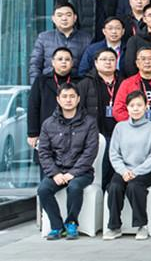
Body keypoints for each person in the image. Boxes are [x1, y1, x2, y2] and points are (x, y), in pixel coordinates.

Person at [37, 84, 99, 240]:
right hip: (57, 171)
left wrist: (73, 173)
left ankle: (71, 223)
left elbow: (90, 152)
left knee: (74, 187)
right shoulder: (48, 124)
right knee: (43, 190)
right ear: (58, 99)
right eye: (64, 96)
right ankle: (57, 226)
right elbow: (43, 152)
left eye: (72, 96)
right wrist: (55, 173)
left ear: (78, 99)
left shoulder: (89, 122)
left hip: (82, 172)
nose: (68, 100)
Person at [103, 90, 151, 240]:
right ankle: (114, 227)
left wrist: (136, 172)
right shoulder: (120, 127)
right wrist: (124, 171)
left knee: (134, 186)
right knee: (114, 187)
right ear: (127, 107)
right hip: (123, 170)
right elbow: (114, 154)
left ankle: (141, 225)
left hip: (146, 172)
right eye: (132, 105)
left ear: (146, 106)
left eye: (139, 105)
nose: (136, 108)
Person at [76, 48, 123, 187]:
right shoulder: (85, 83)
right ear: (96, 63)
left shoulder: (124, 82)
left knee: (117, 174)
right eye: (103, 59)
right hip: (97, 135)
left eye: (112, 59)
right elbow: (79, 110)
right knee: (100, 171)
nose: (108, 62)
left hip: (120, 134)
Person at [29, 3, 92, 82]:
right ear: (53, 19)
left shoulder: (86, 39)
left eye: (68, 15)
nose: (64, 18)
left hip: (76, 85)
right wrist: (36, 86)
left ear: (75, 18)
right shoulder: (44, 37)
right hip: (49, 84)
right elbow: (35, 65)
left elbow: (90, 67)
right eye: (59, 15)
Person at [27, 48, 75, 148]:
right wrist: (33, 133)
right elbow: (33, 106)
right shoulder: (41, 81)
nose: (63, 62)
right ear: (53, 62)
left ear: (72, 63)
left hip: (74, 133)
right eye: (60, 59)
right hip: (46, 132)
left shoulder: (80, 81)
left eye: (67, 59)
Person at [113, 47, 151, 128]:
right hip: (135, 130)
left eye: (150, 58)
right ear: (137, 63)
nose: (147, 62)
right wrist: (135, 124)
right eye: (143, 59)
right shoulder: (127, 84)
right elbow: (118, 111)